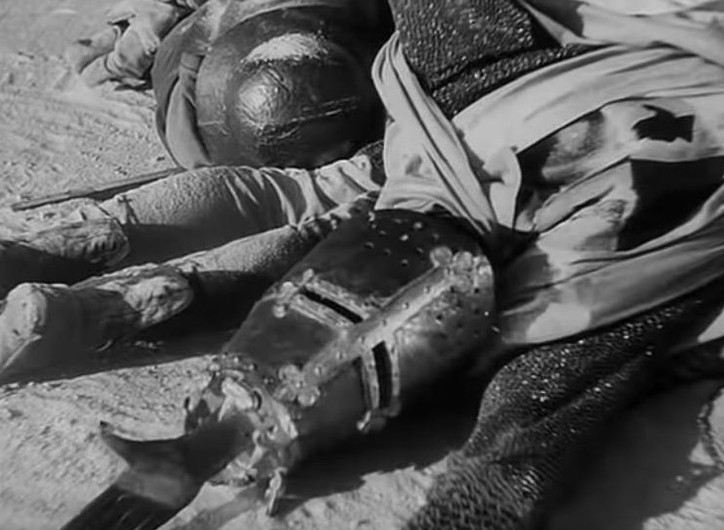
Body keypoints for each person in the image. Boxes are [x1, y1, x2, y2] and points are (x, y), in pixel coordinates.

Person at [9, 1, 724, 529]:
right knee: (321, 203)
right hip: (469, 115)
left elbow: (528, 434)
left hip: (456, 122)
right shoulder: (593, 270)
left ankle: (124, 277)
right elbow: (530, 433)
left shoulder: (585, 271)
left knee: (317, 206)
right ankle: (135, 283)